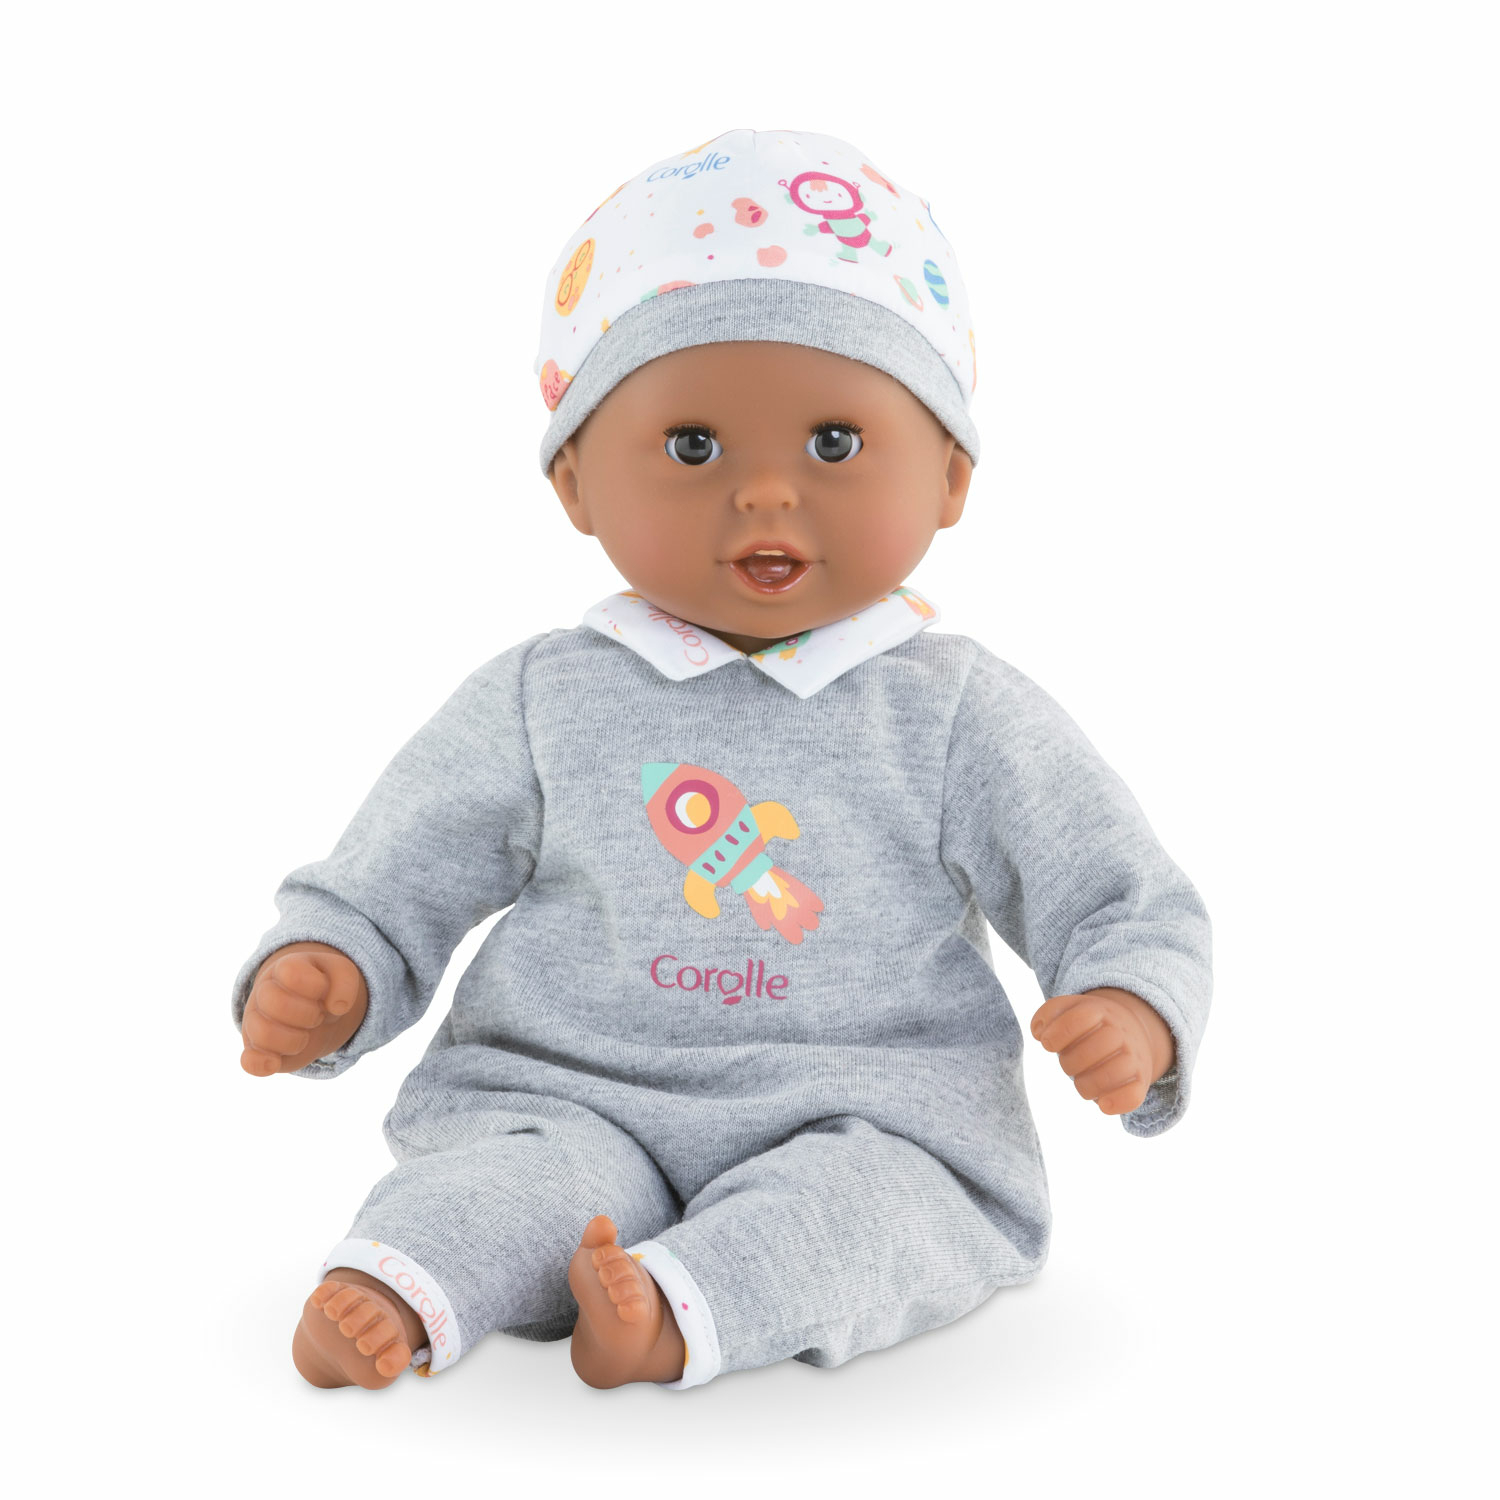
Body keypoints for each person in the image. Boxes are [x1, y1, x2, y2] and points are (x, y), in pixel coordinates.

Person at [234, 127, 1212, 1393]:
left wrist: (1132, 1005)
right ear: (576, 483)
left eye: (834, 443)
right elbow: (396, 868)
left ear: (951, 475)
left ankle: (681, 1307)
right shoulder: (546, 694)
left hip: (873, 1107)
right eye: (693, 447)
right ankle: (401, 1281)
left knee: (872, 1211)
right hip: (573, 1088)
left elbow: (1123, 891)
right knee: (515, 1182)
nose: (764, 493)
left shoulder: (954, 709)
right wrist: (337, 965)